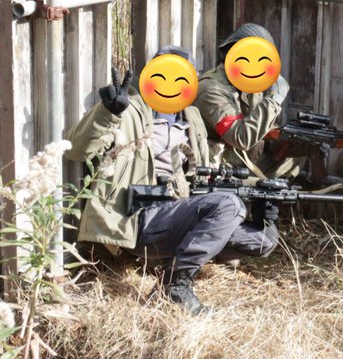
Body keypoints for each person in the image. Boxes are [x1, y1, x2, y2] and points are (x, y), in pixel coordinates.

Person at [64, 46, 278, 315]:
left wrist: (260, 208)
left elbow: (206, 169)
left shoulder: (192, 118)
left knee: (264, 239)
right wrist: (107, 113)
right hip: (138, 218)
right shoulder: (128, 110)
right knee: (228, 207)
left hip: (175, 213)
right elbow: (75, 149)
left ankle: (174, 264)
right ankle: (174, 286)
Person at [195, 23, 302, 180]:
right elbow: (241, 138)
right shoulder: (211, 89)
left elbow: (260, 128)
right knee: (270, 188)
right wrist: (274, 99)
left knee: (295, 158)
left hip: (239, 162)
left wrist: (293, 140)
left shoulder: (246, 83)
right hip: (215, 170)